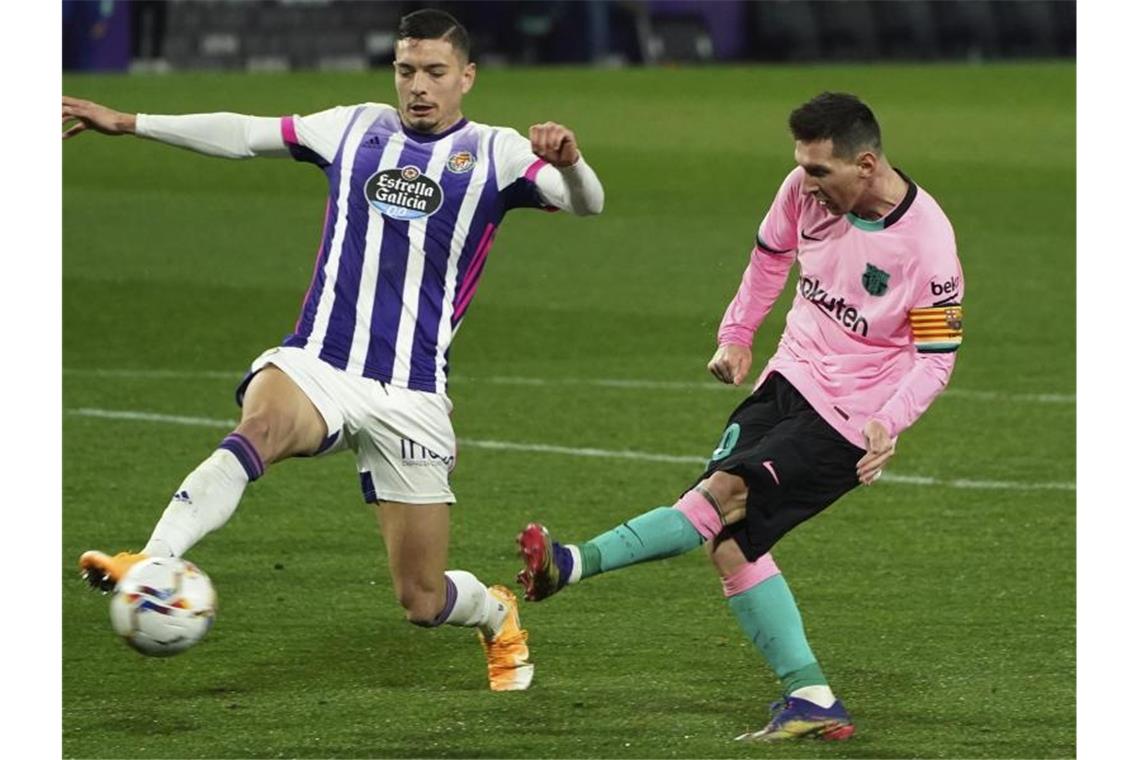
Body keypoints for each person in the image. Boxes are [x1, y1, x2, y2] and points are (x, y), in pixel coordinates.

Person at [64, 8, 604, 692]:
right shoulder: (354, 126)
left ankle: (496, 612)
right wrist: (134, 121)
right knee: (257, 429)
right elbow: (243, 134)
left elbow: (587, 203)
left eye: (436, 72)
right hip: (321, 362)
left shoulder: (495, 153)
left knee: (422, 599)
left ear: (466, 76)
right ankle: (150, 560)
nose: (419, 86)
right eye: (407, 70)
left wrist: (573, 163)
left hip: (412, 393)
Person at [517, 92, 963, 739]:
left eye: (819, 171)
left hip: (849, 417)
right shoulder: (802, 191)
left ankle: (569, 563)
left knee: (722, 495)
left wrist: (888, 422)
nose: (805, 182)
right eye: (801, 166)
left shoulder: (927, 244)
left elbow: (936, 358)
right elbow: (769, 256)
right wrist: (738, 333)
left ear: (865, 165)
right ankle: (811, 699)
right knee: (730, 546)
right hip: (789, 378)